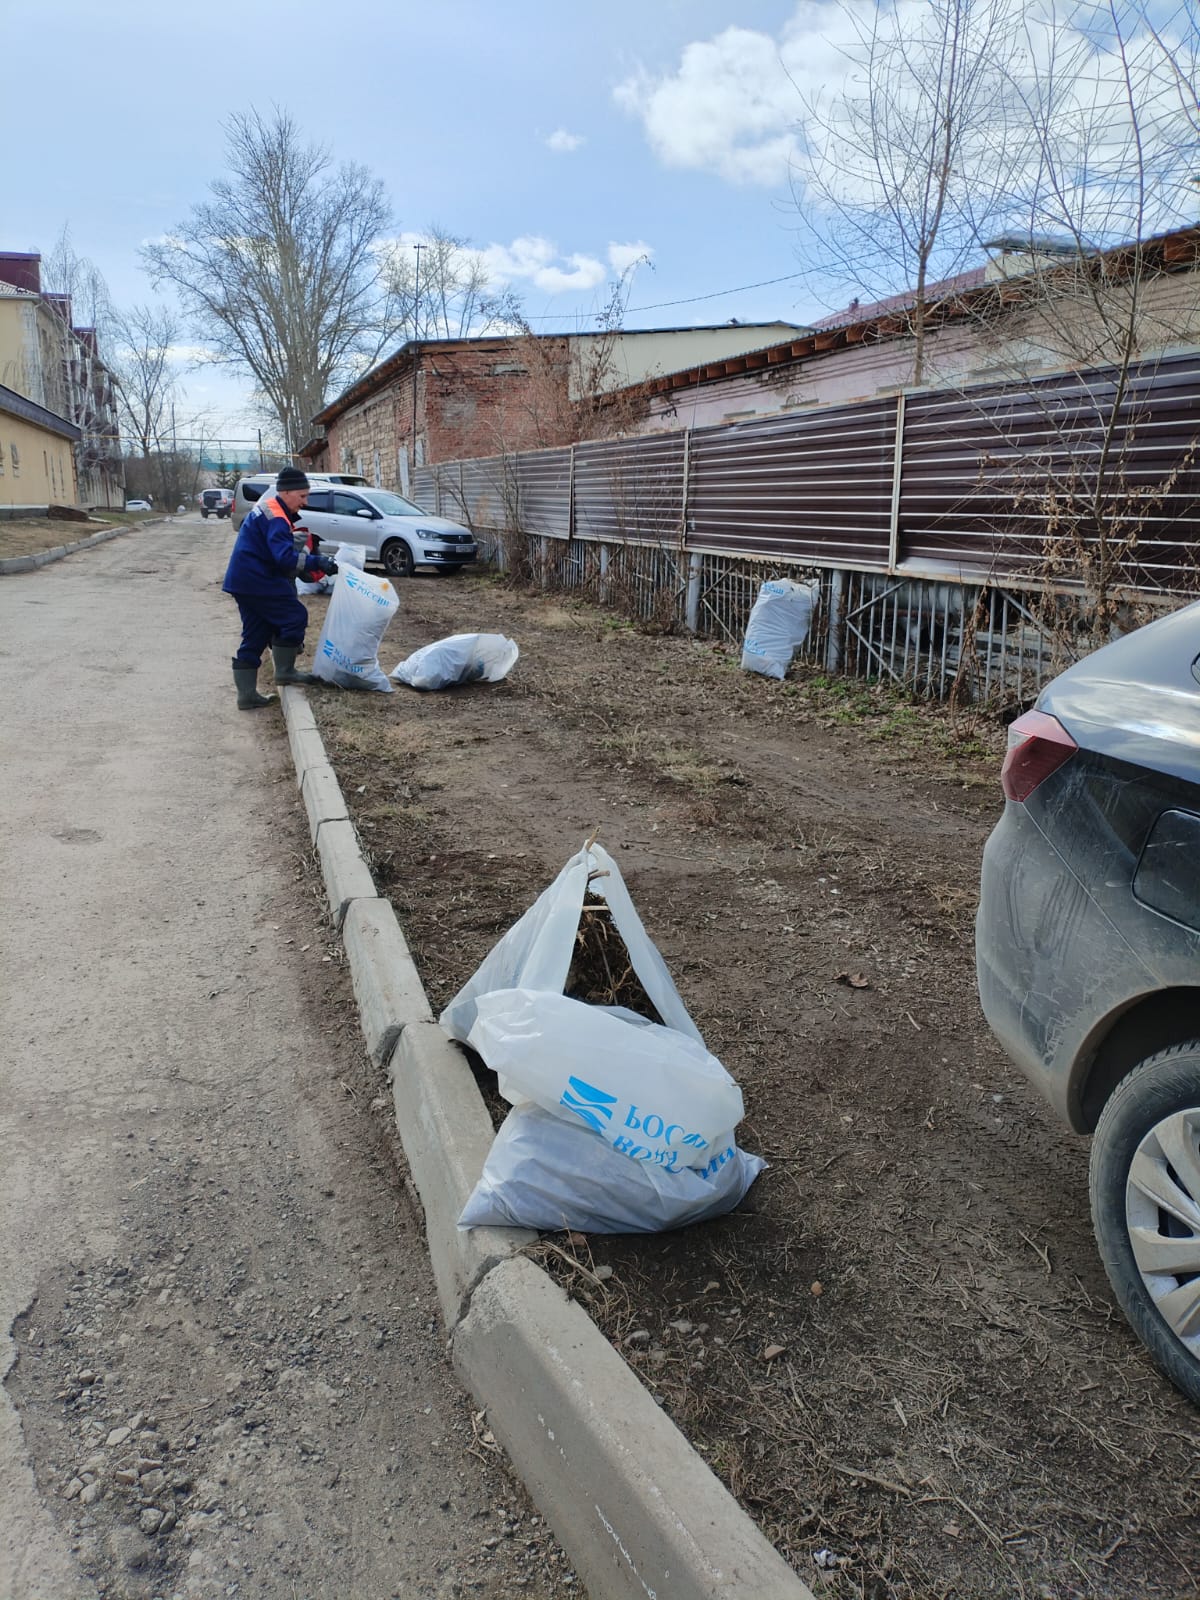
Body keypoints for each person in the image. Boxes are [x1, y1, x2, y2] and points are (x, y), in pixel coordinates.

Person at [222, 466, 338, 710]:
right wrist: (319, 563)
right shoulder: (277, 516)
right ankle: (285, 671)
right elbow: (284, 558)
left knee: (256, 633)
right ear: (286, 492)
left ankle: (246, 696)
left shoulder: (270, 509)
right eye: (302, 496)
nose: (305, 502)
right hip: (257, 580)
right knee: (294, 616)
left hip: (243, 580)